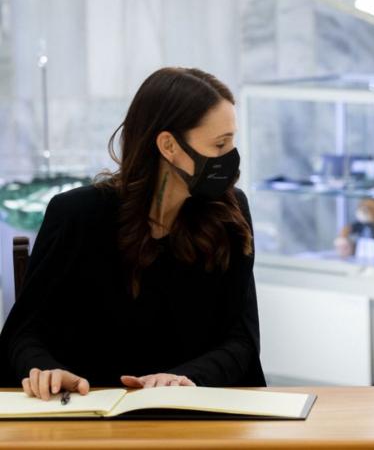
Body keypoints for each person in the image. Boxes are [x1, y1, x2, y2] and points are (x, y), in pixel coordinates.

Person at [0, 67, 265, 400]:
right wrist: (46, 371)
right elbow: (24, 334)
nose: (231, 158)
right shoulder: (77, 215)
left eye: (231, 142)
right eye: (220, 144)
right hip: (89, 411)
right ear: (168, 145)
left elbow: (243, 339)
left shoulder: (230, 212)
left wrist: (186, 379)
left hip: (194, 409)